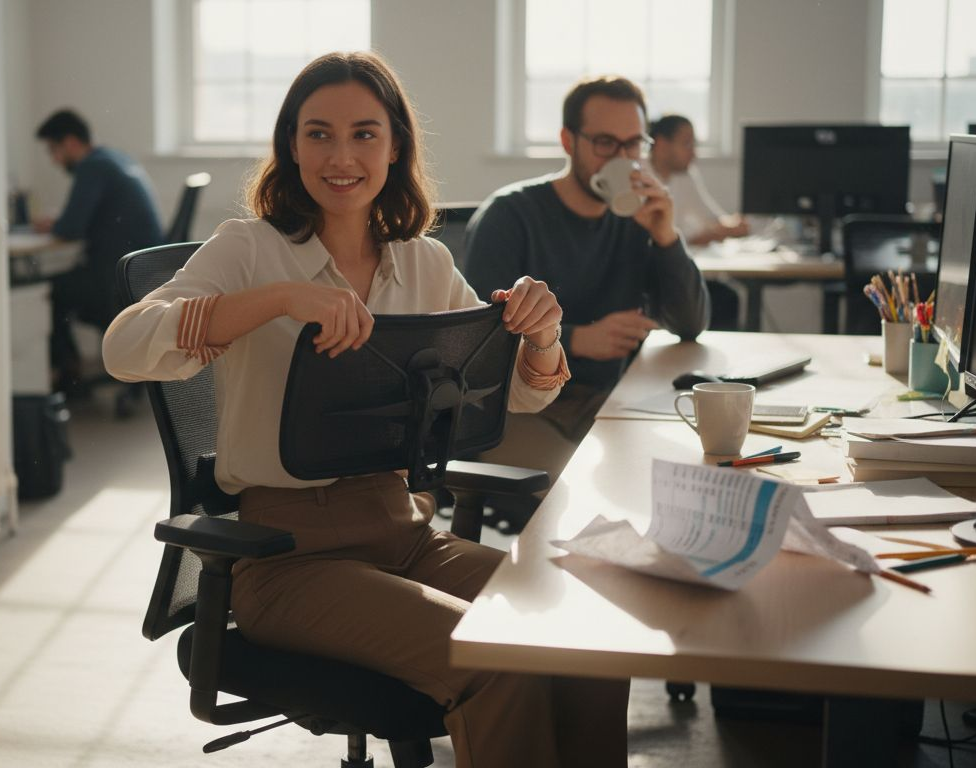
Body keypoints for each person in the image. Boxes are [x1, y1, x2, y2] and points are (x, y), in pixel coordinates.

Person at [104, 52, 629, 767]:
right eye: (318, 134)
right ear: (292, 146)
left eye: (364, 134)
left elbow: (517, 392)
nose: (341, 156)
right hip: (288, 561)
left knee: (588, 626)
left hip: (407, 536)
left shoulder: (423, 264)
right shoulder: (251, 250)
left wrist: (540, 333)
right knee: (497, 656)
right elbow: (125, 346)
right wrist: (282, 298)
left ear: (395, 147)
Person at [463, 76, 709, 485]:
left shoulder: (635, 220)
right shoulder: (510, 217)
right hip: (525, 411)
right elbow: (477, 344)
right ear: (567, 140)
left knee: (694, 476)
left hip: (615, 400)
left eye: (633, 144)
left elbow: (689, 324)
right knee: (602, 490)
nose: (623, 158)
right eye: (605, 143)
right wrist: (578, 340)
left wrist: (666, 236)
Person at [34, 109, 164, 394]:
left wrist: (51, 224)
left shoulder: (92, 167)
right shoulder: (115, 159)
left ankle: (67, 377)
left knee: (49, 292)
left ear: (69, 142)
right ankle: (70, 372)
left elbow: (71, 228)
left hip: (115, 279)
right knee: (63, 284)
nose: (54, 160)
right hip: (142, 272)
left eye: (53, 150)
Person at [648, 114, 749, 246]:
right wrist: (701, 237)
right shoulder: (637, 176)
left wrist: (735, 225)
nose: (694, 153)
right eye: (687, 144)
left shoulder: (686, 175)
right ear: (661, 144)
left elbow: (710, 217)